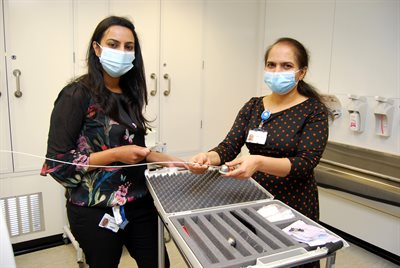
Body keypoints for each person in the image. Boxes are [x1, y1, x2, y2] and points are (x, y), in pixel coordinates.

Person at [41, 16, 182, 268]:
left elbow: (136, 151)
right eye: (113, 44)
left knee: (159, 263)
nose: (122, 52)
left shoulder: (130, 94)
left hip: (138, 202)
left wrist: (174, 162)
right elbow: (58, 164)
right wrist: (115, 154)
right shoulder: (75, 96)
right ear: (97, 48)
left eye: (129, 47)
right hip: (94, 208)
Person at [189, 37, 331, 249]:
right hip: (254, 197)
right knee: (254, 252)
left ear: (301, 72)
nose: (277, 71)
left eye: (287, 66)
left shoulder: (313, 111)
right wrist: (207, 158)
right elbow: (229, 147)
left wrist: (258, 162)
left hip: (293, 202)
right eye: (271, 65)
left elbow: (305, 164)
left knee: (291, 258)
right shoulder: (254, 106)